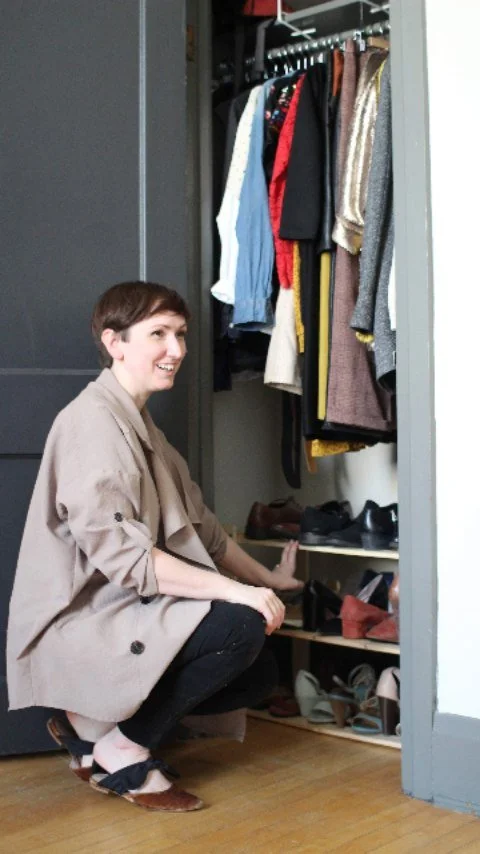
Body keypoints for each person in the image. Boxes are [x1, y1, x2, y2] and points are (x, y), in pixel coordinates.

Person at [7, 281, 302, 812]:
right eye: (159, 334)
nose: (177, 350)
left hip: (131, 606)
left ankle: (90, 728)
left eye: (181, 334)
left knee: (259, 670)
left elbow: (204, 530)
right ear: (114, 342)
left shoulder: (141, 423)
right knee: (240, 626)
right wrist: (238, 593)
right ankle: (122, 747)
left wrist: (267, 580)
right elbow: (130, 561)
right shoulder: (91, 425)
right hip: (87, 618)